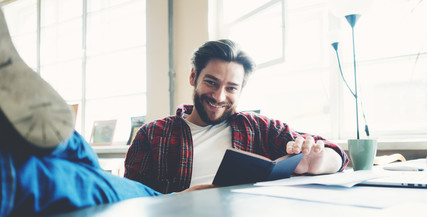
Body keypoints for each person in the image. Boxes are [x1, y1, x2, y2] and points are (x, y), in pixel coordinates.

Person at [124, 39, 349, 194]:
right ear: (193, 76)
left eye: (231, 88)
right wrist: (178, 199)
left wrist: (315, 162)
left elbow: (337, 156)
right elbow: (126, 201)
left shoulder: (258, 128)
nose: (219, 96)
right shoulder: (152, 134)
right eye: (211, 82)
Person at [0, 8, 161, 217]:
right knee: (89, 177)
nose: (219, 95)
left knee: (85, 169)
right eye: (211, 82)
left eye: (225, 87)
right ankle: (162, 199)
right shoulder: (159, 129)